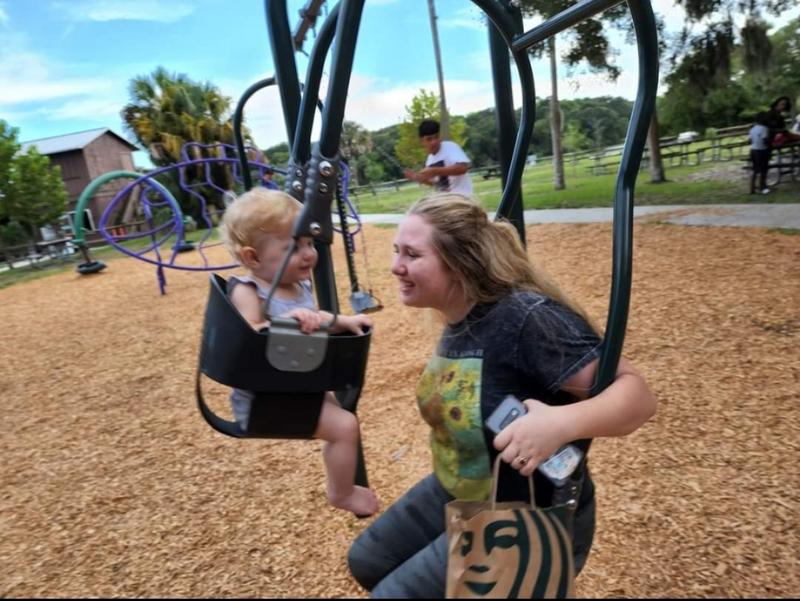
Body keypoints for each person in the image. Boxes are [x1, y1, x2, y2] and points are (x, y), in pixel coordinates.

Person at [348, 193, 657, 597]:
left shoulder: (524, 318)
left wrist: (560, 423)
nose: (395, 266)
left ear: (458, 264)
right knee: (370, 562)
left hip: (527, 511)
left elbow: (638, 398)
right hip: (466, 487)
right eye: (395, 251)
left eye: (411, 254)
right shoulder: (460, 316)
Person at [220, 188, 379, 517]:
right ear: (253, 258)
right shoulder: (248, 290)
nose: (308, 253)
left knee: (341, 417)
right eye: (294, 246)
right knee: (345, 427)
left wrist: (344, 322)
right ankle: (342, 492)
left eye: (308, 243)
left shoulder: (298, 286)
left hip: (296, 383)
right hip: (264, 399)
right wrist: (285, 321)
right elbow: (251, 335)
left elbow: (315, 320)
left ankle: (343, 483)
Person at [403, 119, 473, 197]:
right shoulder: (429, 160)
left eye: (436, 137)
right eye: (429, 139)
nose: (434, 141)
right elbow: (437, 183)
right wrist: (417, 178)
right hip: (445, 202)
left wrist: (434, 171)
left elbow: (463, 168)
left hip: (462, 200)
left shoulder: (450, 146)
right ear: (422, 141)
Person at [748, 112, 771, 195]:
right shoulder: (765, 128)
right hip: (762, 151)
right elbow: (765, 141)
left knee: (755, 169)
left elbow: (749, 141)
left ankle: (752, 188)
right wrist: (770, 144)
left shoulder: (752, 129)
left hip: (753, 150)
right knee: (763, 170)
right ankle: (762, 187)